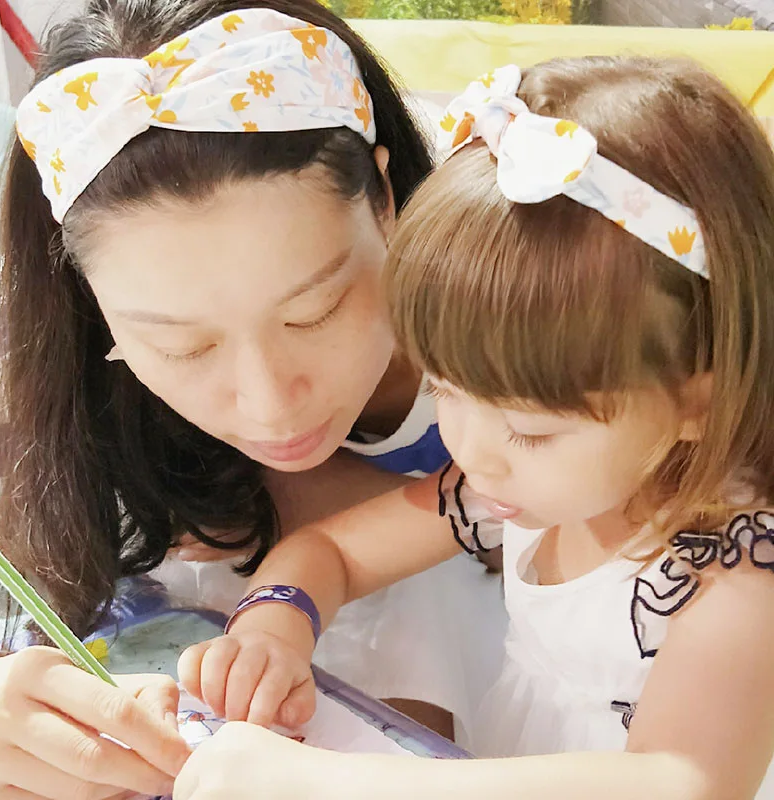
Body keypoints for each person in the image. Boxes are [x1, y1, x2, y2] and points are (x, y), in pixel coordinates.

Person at [176, 56, 774, 798]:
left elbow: (682, 781)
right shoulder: (507, 487)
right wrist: (270, 631)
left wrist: (325, 782)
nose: (475, 454)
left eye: (531, 431)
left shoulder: (736, 574)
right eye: (444, 389)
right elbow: (331, 551)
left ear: (697, 403)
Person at [0, 1, 506, 797]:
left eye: (314, 312)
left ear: (386, 199)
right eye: (182, 347)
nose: (269, 408)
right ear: (89, 301)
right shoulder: (35, 329)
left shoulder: (530, 296)